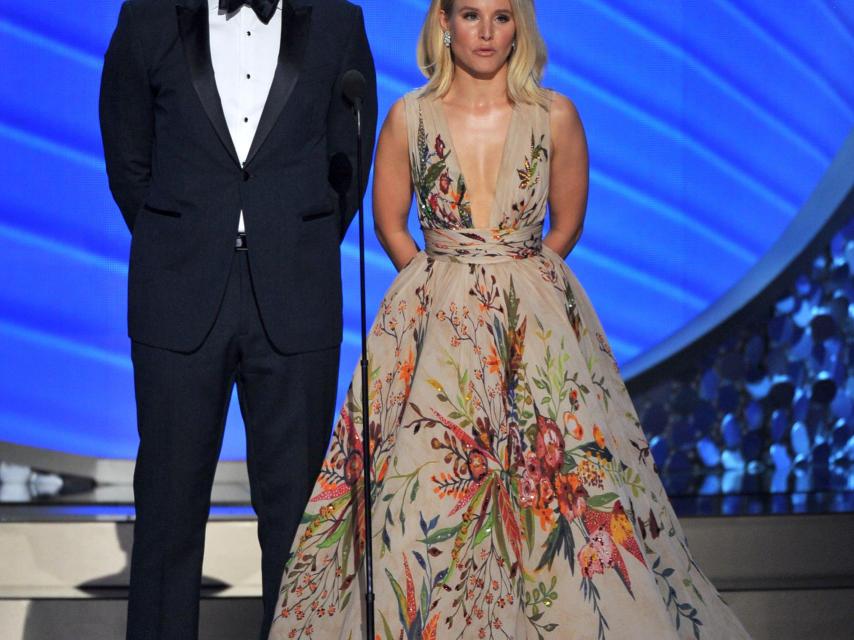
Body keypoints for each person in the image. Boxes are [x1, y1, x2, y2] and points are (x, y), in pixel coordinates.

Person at [268, 0, 751, 638]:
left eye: (502, 16)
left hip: (536, 329)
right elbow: (388, 220)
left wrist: (522, 282)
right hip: (433, 326)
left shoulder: (554, 115)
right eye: (471, 15)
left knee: (555, 498)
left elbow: (568, 220)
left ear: (519, 26)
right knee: (425, 498)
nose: (487, 32)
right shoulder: (407, 117)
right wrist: (441, 282)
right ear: (443, 22)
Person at [99, 0, 377, 638]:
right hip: (180, 290)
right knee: (169, 512)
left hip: (295, 292)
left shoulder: (338, 22)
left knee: (297, 520)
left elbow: (347, 165)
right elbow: (127, 156)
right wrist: (184, 240)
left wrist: (293, 242)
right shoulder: (147, 18)